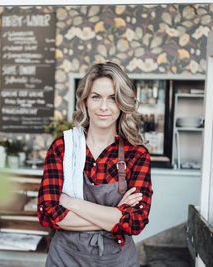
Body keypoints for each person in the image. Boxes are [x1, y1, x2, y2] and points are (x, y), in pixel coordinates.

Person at [37, 62, 153, 266]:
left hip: (117, 260)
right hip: (65, 259)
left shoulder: (136, 154)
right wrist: (116, 215)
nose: (103, 107)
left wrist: (72, 203)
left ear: (122, 103)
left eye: (113, 98)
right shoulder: (63, 148)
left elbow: (135, 222)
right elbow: (48, 214)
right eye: (96, 97)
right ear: (85, 101)